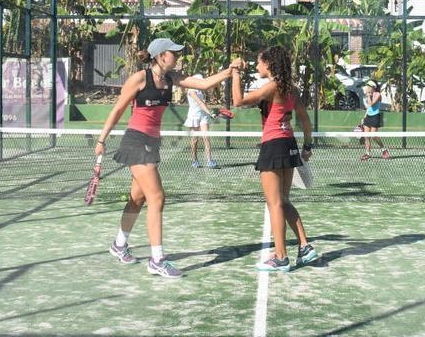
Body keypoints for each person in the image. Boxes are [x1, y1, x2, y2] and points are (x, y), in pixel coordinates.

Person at [95, 38, 239, 278]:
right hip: (135, 142)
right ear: (161, 56)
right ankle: (157, 259)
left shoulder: (172, 78)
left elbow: (203, 85)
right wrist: (101, 140)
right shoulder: (140, 78)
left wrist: (230, 70)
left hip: (152, 143)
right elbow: (118, 108)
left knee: (137, 199)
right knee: (157, 197)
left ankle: (119, 244)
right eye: (174, 53)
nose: (178, 57)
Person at [232, 46, 319, 272]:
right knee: (283, 199)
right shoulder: (291, 88)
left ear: (269, 64)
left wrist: (234, 73)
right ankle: (305, 246)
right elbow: (305, 120)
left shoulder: (272, 86)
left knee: (275, 203)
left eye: (260, 62)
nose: (257, 66)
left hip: (273, 145)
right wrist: (307, 145)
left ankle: (280, 256)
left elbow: (238, 101)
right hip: (289, 144)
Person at [183, 74, 218, 169]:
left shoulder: (200, 90)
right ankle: (194, 160)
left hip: (203, 116)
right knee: (195, 140)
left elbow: (203, 103)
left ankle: (209, 161)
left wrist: (208, 113)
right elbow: (199, 102)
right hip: (193, 117)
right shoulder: (191, 91)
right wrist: (210, 113)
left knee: (206, 137)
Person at [361, 81, 390, 161]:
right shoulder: (368, 95)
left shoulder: (378, 94)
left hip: (375, 116)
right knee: (367, 137)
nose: (366, 87)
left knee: (373, 136)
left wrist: (369, 96)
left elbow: (371, 104)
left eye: (368, 86)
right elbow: (368, 107)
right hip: (368, 116)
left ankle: (384, 150)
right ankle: (367, 153)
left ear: (372, 87)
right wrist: (365, 116)